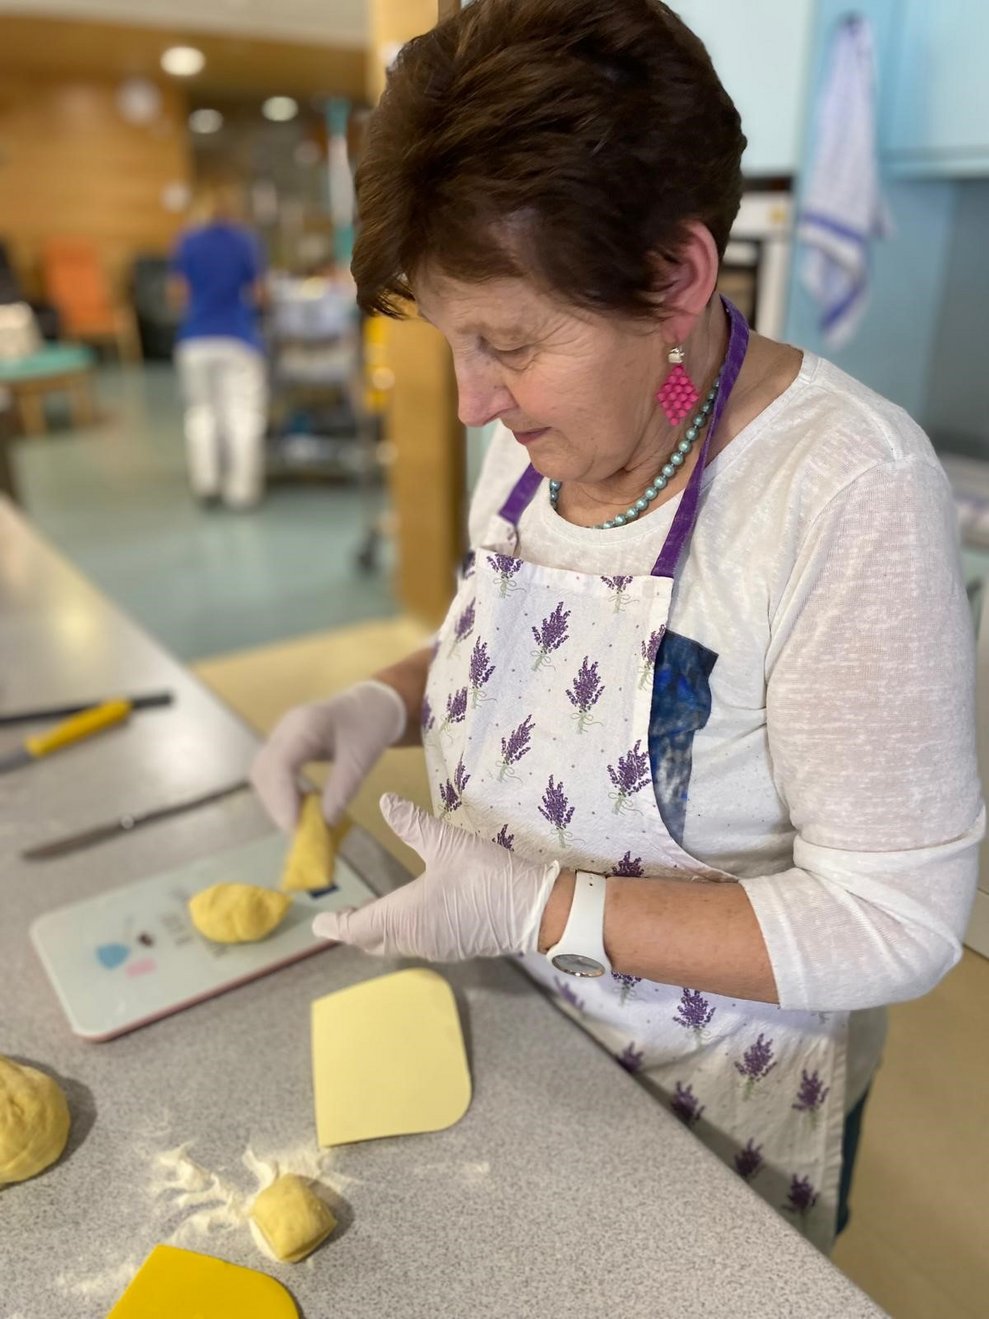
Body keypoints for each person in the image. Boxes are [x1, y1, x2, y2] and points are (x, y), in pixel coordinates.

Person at [250, 0, 983, 1253]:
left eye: (507, 342)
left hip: (714, 1107)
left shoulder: (841, 491)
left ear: (673, 278)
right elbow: (525, 653)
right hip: (519, 1041)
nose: (472, 400)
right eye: (452, 341)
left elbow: (893, 920)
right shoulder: (544, 433)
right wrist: (383, 697)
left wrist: (540, 908)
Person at [169, 184, 268, 509]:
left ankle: (206, 484)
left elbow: (178, 294)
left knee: (201, 415)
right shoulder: (244, 241)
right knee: (242, 416)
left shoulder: (187, 241)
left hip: (195, 340)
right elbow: (259, 294)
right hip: (237, 338)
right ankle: (242, 492)